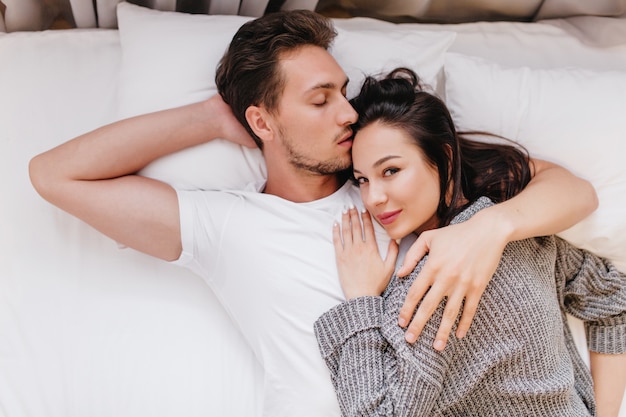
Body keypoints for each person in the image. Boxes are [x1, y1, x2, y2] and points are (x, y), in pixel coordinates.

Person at [29, 10, 599, 417]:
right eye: (321, 100)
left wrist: (491, 228)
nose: (348, 113)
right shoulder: (227, 225)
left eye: (344, 93)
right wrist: (209, 117)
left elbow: (570, 190)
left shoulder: (393, 175)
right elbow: (54, 175)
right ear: (262, 122)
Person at [314, 68, 626, 417]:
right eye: (362, 181)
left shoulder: (427, 284)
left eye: (390, 171)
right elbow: (613, 300)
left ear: (444, 158)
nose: (374, 198)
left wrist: (361, 301)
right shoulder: (524, 238)